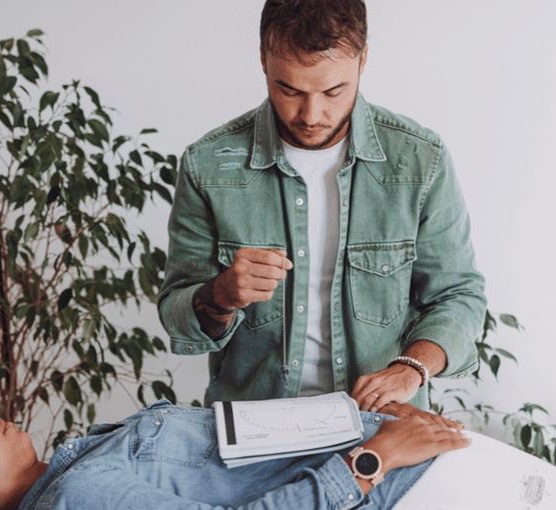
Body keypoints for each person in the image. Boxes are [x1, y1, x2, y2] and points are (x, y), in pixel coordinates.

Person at [158, 0, 487, 411]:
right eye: (289, 89)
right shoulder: (207, 165)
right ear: (263, 59)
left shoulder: (421, 161)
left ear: (363, 59)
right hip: (254, 424)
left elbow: (458, 294)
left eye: (333, 91)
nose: (311, 114)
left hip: (379, 425)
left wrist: (411, 368)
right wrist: (221, 294)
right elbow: (176, 313)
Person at [0, 402, 556, 510]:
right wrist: (369, 458)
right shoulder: (77, 503)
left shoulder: (75, 461)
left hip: (412, 464)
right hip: (401, 489)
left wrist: (366, 422)